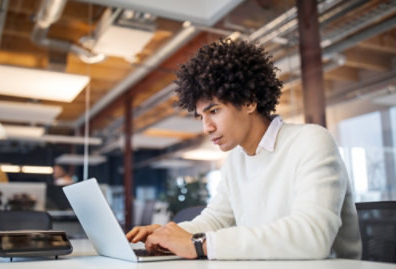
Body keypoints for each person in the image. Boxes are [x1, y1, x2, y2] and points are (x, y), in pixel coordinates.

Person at [126, 39, 362, 260]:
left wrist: (200, 244)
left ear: (249, 102)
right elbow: (216, 221)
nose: (207, 127)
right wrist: (167, 235)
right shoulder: (236, 161)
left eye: (214, 111)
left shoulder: (311, 141)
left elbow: (312, 236)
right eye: (201, 117)